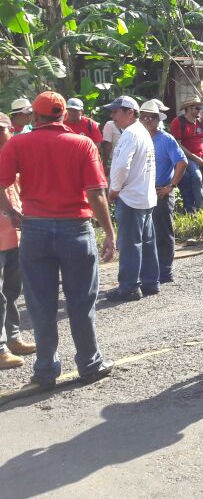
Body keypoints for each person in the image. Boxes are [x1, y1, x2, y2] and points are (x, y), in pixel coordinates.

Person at [0, 91, 117, 389]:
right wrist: (109, 232)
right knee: (80, 301)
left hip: (35, 231)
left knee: (40, 304)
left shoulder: (18, 143)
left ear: (35, 117)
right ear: (64, 115)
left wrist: (12, 211)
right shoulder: (82, 144)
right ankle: (90, 365)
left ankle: (45, 371)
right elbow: (95, 192)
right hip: (75, 229)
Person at [103, 95, 159, 302]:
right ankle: (150, 282)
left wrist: (114, 189)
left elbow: (121, 166)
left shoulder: (130, 134)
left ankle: (129, 286)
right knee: (146, 241)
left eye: (116, 112)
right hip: (144, 195)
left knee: (130, 244)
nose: (112, 116)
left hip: (131, 197)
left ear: (129, 112)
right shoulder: (142, 132)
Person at [0, 112, 34, 369]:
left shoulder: (12, 157)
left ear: (11, 130)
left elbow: (19, 192)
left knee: (12, 292)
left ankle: (12, 337)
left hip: (14, 236)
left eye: (2, 129)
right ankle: (1, 348)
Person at [140, 99, 187, 284]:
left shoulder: (166, 139)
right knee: (146, 234)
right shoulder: (138, 138)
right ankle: (151, 271)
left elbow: (182, 162)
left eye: (151, 117)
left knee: (163, 232)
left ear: (158, 119)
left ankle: (165, 271)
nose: (147, 120)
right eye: (144, 117)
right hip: (143, 193)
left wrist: (171, 187)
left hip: (161, 191)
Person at [169, 94, 203, 212]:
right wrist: (195, 158)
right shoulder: (178, 122)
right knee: (196, 176)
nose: (199, 110)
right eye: (197, 108)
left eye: (200, 108)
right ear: (188, 108)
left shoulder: (202, 121)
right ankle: (200, 209)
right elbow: (178, 146)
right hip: (188, 158)